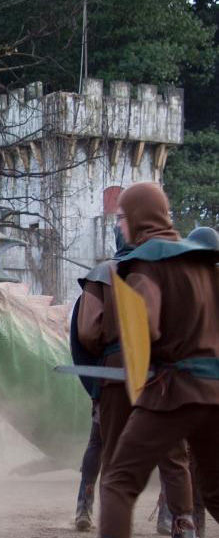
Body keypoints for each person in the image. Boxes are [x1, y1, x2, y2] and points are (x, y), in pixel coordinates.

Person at [98, 183, 219, 538]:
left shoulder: (147, 262)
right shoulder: (204, 265)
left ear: (137, 217)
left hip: (175, 390)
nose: (120, 225)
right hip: (215, 393)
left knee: (119, 481)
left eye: (121, 217)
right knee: (214, 491)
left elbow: (145, 328)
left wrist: (123, 313)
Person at [76, 224, 193, 534]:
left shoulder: (102, 272)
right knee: (173, 455)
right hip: (159, 376)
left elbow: (86, 333)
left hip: (115, 375)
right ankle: (179, 523)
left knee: (107, 450)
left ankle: (93, 514)